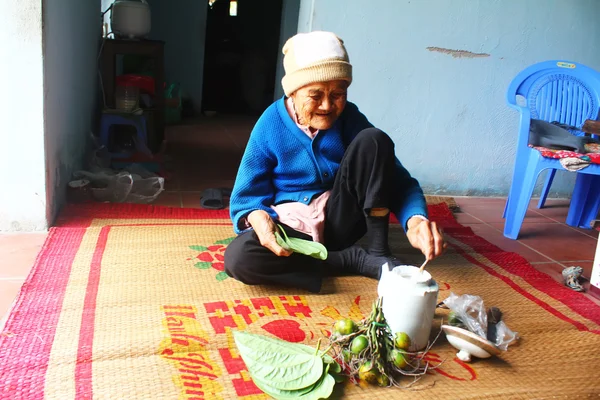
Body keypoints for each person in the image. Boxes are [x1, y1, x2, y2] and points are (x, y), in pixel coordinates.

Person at [224, 31, 445, 293]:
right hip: (294, 231)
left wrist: (415, 220)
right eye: (315, 95)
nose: (327, 106)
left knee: (374, 140)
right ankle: (350, 260)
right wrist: (258, 217)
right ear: (293, 92)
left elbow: (398, 179)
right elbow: (245, 199)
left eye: (338, 94)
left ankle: (377, 251)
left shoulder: (349, 118)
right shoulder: (269, 125)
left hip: (341, 219)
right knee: (239, 259)